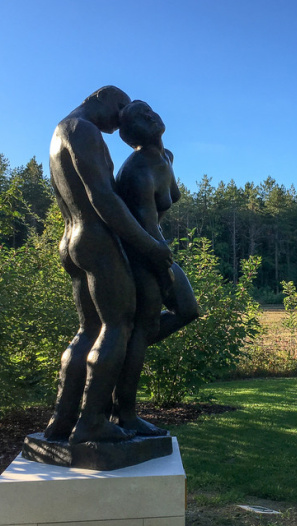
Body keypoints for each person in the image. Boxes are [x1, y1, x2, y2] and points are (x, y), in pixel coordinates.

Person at [44, 86, 174, 444]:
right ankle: (92, 423)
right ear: (102, 97)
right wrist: (148, 244)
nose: (118, 127)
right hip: (97, 240)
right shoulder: (82, 129)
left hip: (71, 241)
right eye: (118, 113)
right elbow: (102, 198)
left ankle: (61, 420)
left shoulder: (61, 131)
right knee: (119, 326)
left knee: (88, 330)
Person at [112, 100, 199, 436]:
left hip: (157, 246)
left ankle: (129, 346)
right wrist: (161, 267)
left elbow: (166, 203)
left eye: (148, 110)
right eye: (141, 119)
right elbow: (145, 226)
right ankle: (127, 414)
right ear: (134, 134)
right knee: (143, 328)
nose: (151, 116)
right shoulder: (137, 170)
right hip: (141, 251)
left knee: (187, 311)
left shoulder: (165, 157)